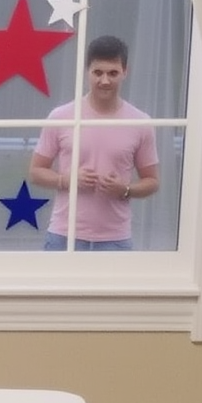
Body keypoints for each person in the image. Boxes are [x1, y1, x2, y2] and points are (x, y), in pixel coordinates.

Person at [28, 34, 159, 251]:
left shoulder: (141, 122)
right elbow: (35, 171)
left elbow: (152, 181)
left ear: (125, 72)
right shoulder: (61, 116)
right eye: (98, 72)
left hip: (115, 240)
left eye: (113, 73)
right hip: (63, 235)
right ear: (87, 72)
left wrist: (125, 189)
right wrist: (66, 180)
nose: (104, 80)